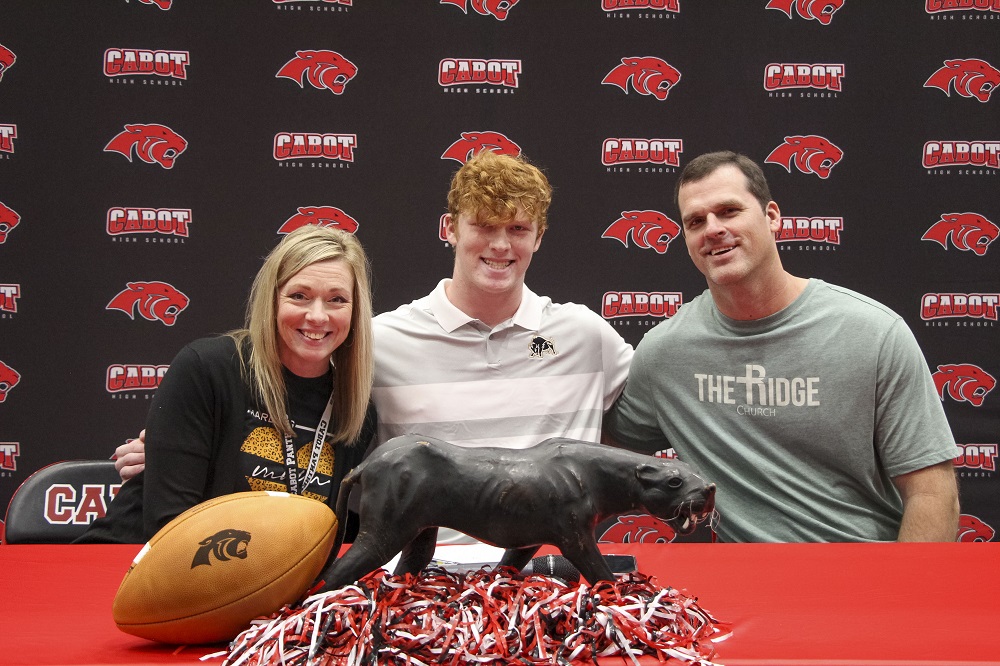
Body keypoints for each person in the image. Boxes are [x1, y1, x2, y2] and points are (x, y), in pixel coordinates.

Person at [112, 150, 635, 544]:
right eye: (484, 226)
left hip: (552, 577)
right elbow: (285, 400)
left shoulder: (587, 336)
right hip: (420, 577)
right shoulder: (374, 343)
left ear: (539, 236)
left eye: (519, 228)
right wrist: (173, 447)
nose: (501, 245)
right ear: (449, 229)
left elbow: (661, 401)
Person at [603, 150, 960, 542]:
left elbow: (931, 491)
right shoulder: (665, 353)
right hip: (743, 590)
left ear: (772, 216)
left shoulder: (874, 333)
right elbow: (601, 447)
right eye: (695, 221)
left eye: (729, 211)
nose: (713, 229)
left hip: (864, 575)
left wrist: (902, 599)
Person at [80, 225, 377, 542]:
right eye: (299, 296)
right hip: (132, 564)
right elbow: (171, 528)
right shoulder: (208, 369)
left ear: (355, 310)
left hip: (256, 580)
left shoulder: (354, 411)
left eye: (337, 299)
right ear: (272, 299)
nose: (317, 316)